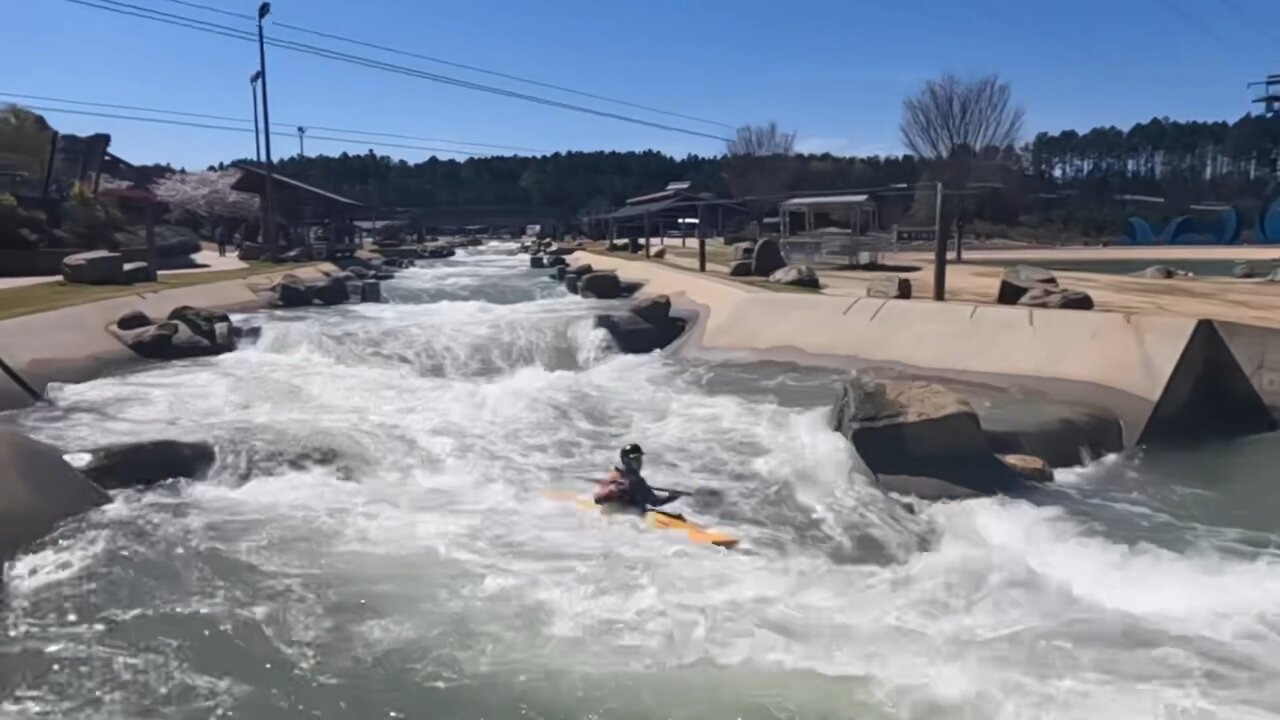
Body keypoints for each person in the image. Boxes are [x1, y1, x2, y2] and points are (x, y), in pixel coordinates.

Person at [593, 444, 681, 512]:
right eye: (636, 460)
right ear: (626, 461)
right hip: (630, 517)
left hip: (610, 512)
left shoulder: (616, 475)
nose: (639, 463)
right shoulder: (637, 481)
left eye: (639, 460)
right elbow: (655, 502)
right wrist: (672, 497)